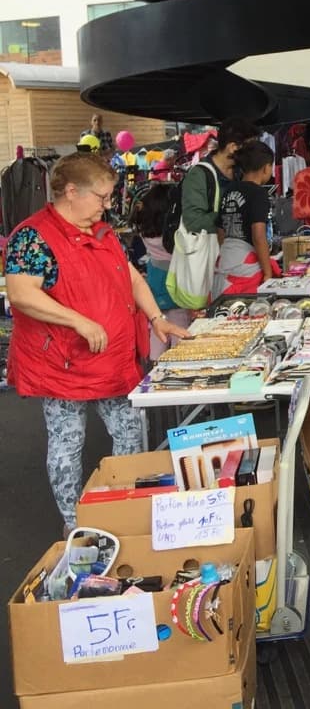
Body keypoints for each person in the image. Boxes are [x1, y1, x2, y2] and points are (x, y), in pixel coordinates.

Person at [5, 152, 189, 534]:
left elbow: (133, 278)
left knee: (129, 432)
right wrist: (78, 321)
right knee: (68, 445)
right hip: (62, 363)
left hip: (114, 357)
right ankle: (76, 525)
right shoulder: (33, 236)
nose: (107, 206)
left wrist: (157, 319)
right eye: (102, 197)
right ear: (71, 191)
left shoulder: (102, 232)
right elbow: (21, 294)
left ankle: (124, 507)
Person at [130, 183, 192, 358]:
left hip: (155, 280)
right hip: (176, 282)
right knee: (179, 325)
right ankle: (180, 359)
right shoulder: (173, 234)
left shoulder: (145, 230)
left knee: (158, 324)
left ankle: (155, 362)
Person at [214, 141, 278, 297]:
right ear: (266, 168)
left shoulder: (229, 190)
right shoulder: (259, 194)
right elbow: (258, 237)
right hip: (245, 269)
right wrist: (268, 273)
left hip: (225, 261)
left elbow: (220, 230)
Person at [182, 116, 261, 240]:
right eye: (250, 148)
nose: (254, 153)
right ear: (233, 147)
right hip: (210, 253)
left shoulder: (241, 171)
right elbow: (194, 223)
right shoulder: (199, 175)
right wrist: (232, 215)